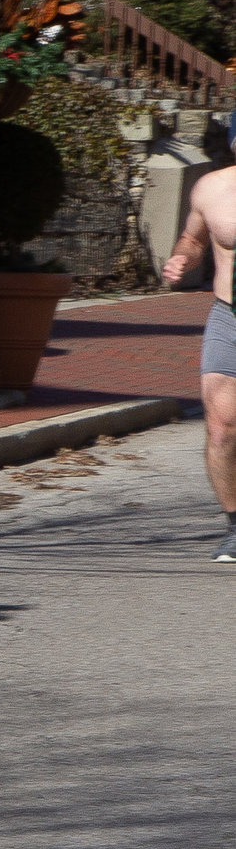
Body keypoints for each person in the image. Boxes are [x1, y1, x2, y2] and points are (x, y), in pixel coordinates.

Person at [162, 169, 236, 559]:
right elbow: (194, 239)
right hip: (230, 315)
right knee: (222, 428)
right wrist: (182, 257)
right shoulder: (213, 187)